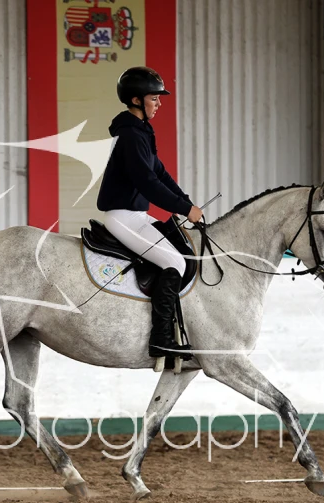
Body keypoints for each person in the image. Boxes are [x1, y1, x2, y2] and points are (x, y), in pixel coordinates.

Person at [96, 66, 203, 359]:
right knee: (174, 262)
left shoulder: (140, 130)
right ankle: (160, 340)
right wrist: (184, 208)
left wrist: (187, 203)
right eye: (154, 98)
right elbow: (147, 182)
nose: (159, 104)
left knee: (181, 246)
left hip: (136, 215)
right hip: (123, 216)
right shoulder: (130, 134)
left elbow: (160, 174)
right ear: (136, 100)